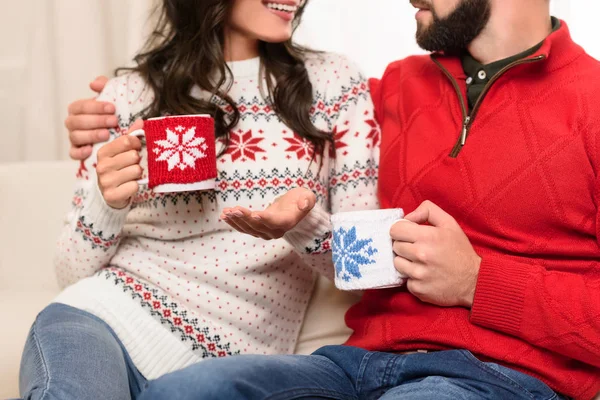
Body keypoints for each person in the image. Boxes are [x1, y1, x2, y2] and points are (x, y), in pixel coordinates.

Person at [66, 0, 600, 398]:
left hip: (495, 378)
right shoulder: (392, 87)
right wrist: (115, 113)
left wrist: (479, 283)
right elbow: (265, 117)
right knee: (185, 393)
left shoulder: (591, 102)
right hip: (356, 367)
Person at [18, 1, 381, 399]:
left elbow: (367, 270)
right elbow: (70, 272)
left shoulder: (334, 82)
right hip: (99, 319)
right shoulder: (126, 94)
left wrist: (301, 224)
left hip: (227, 369)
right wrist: (107, 202)